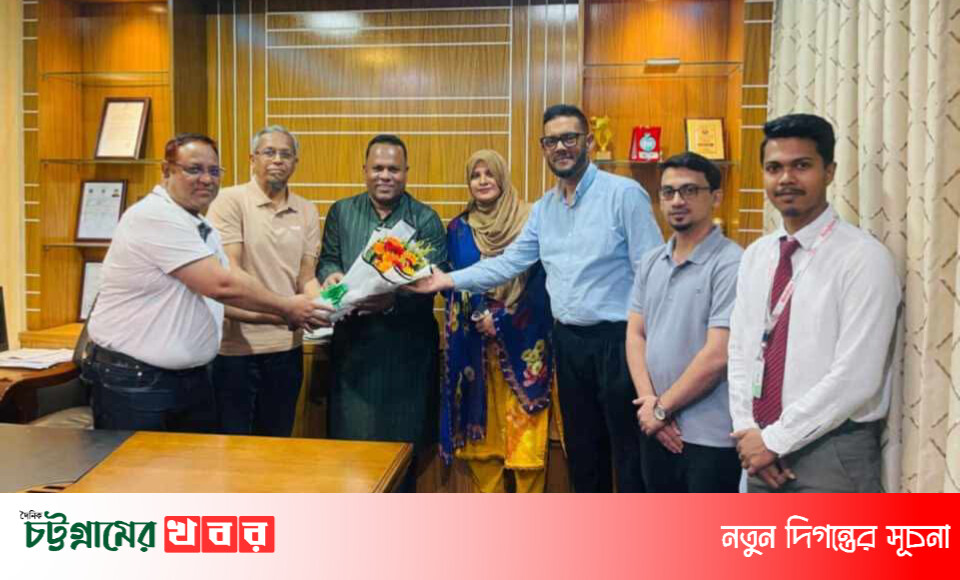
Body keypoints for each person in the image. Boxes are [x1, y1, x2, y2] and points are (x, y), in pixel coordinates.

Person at [412, 104, 662, 492]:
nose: (561, 147)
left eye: (569, 138)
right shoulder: (545, 209)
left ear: (588, 142)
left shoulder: (623, 194)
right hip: (568, 342)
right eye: (552, 141)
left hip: (619, 341)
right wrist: (447, 280)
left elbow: (653, 273)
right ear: (544, 148)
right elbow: (510, 262)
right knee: (583, 452)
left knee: (630, 453)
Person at [83, 133, 327, 432]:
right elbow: (222, 285)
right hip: (137, 382)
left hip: (187, 380)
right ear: (166, 170)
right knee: (141, 465)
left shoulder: (199, 224)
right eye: (194, 169)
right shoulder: (155, 217)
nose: (206, 179)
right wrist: (287, 308)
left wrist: (305, 309)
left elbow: (219, 294)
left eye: (214, 171)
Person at [728, 113, 901, 492]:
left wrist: (776, 440)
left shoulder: (863, 258)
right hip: (759, 448)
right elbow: (739, 351)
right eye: (774, 168)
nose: (786, 178)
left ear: (829, 172)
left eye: (801, 165)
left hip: (831, 449)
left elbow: (857, 377)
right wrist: (749, 431)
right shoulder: (757, 255)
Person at [316, 134, 446, 489]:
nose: (385, 175)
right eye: (377, 168)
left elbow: (435, 278)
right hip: (354, 349)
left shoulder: (425, 219)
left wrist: (392, 301)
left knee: (403, 451)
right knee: (351, 453)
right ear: (365, 170)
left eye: (393, 169)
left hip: (407, 353)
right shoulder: (342, 212)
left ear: (406, 172)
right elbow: (328, 259)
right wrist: (332, 275)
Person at [627, 152, 742, 493]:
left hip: (710, 436)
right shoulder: (651, 261)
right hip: (655, 427)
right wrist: (649, 404)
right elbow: (635, 334)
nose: (677, 200)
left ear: (716, 197)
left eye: (690, 190)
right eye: (668, 192)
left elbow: (717, 356)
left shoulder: (732, 263)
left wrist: (661, 410)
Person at [442, 149, 553, 493]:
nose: (482, 181)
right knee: (483, 448)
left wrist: (502, 317)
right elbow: (451, 280)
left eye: (489, 174)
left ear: (502, 177)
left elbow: (544, 281)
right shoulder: (459, 228)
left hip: (523, 339)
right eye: (475, 175)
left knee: (525, 445)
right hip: (475, 344)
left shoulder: (531, 220)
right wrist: (480, 313)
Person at [206, 126, 322, 437]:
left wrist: (327, 304)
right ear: (252, 158)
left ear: (295, 162)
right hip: (235, 352)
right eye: (269, 152)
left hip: (288, 349)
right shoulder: (228, 201)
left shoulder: (307, 210)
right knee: (232, 449)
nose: (278, 160)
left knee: (277, 443)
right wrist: (285, 312)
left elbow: (307, 278)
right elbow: (230, 276)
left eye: (286, 154)